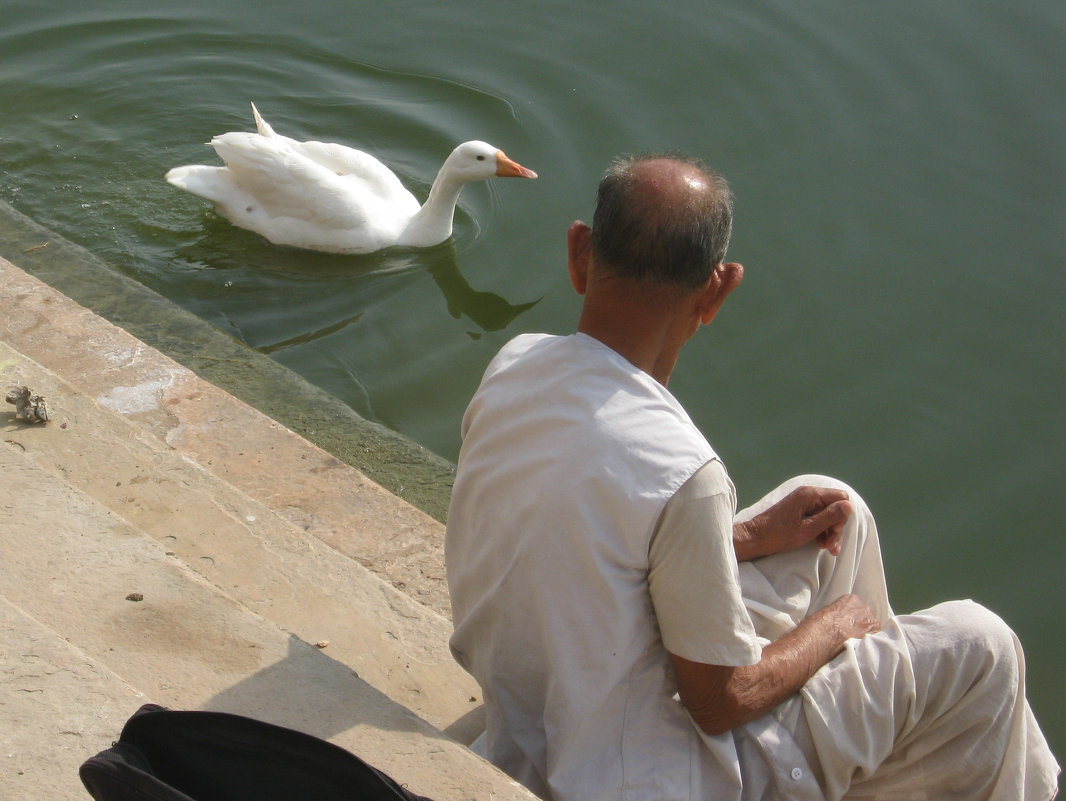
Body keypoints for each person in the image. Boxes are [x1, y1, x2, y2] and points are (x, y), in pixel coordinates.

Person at [444, 153, 1059, 801]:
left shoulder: (515, 366)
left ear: (578, 252)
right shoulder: (685, 469)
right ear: (717, 290)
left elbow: (582, 537)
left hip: (536, 728)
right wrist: (835, 628)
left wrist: (741, 537)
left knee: (836, 511)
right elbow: (722, 700)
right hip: (644, 778)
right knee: (981, 646)